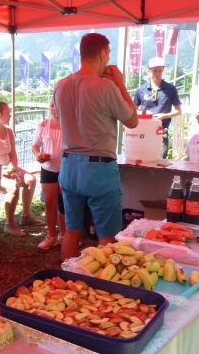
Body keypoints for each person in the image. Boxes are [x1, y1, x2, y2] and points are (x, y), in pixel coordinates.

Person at [54, 33, 138, 261]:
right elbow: (132, 121)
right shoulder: (106, 87)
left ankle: (67, 277)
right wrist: (120, 84)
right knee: (106, 237)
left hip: (69, 166)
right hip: (99, 168)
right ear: (102, 53)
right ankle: (98, 281)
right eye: (108, 54)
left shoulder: (60, 86)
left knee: (72, 231)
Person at [0, 100, 44, 237]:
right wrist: (1, 170)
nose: (11, 115)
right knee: (13, 187)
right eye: (8, 112)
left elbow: (13, 154)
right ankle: (9, 224)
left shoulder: (8, 131)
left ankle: (25, 216)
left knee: (30, 180)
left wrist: (12, 166)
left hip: (8, 167)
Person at [31, 99, 66, 249]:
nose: (54, 109)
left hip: (66, 170)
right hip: (48, 169)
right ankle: (51, 236)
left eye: (57, 106)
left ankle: (64, 236)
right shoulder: (43, 125)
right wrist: (38, 154)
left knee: (64, 203)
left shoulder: (70, 126)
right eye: (52, 106)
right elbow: (35, 145)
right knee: (49, 202)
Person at [133, 57, 182, 158]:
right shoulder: (140, 90)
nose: (158, 73)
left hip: (161, 131)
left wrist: (164, 116)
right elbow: (133, 110)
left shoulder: (171, 89)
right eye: (155, 71)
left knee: (159, 160)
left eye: (160, 70)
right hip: (143, 131)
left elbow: (178, 111)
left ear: (163, 70)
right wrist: (143, 115)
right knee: (142, 159)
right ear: (149, 71)